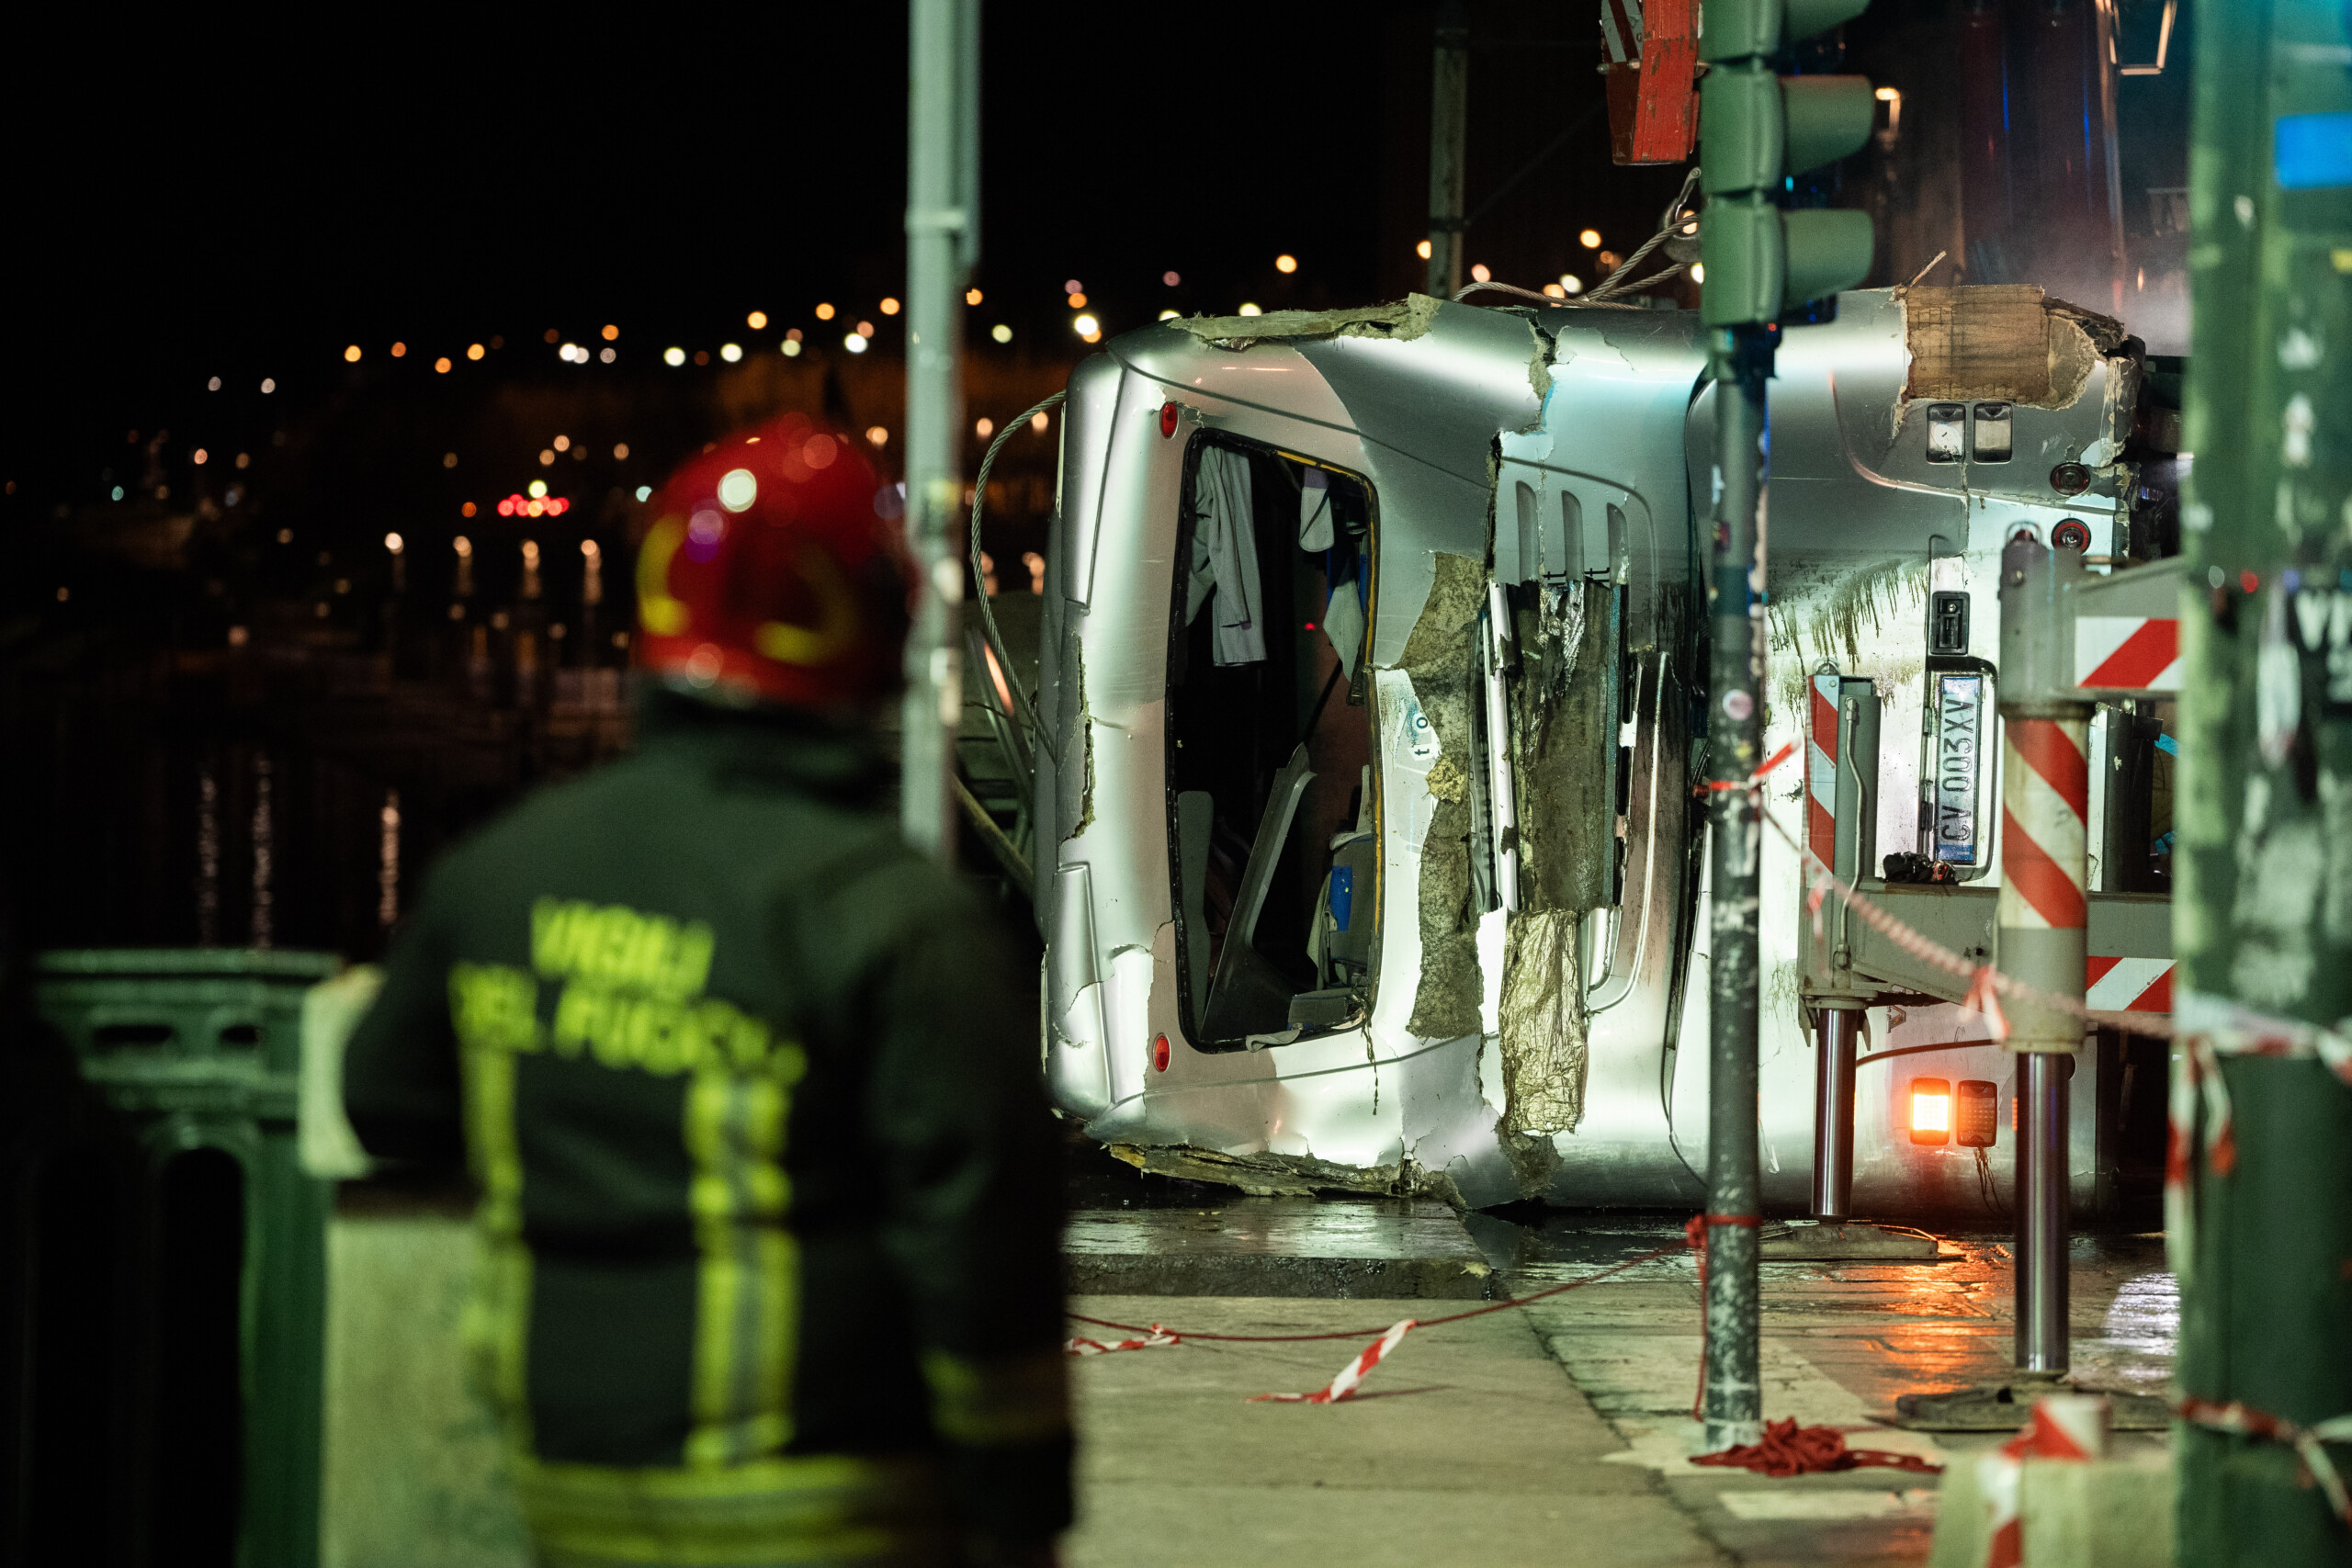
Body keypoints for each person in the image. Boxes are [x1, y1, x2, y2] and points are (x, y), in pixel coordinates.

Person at [343, 414, 1070, 1568]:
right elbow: (983, 1234)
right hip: (829, 1497)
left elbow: (386, 1098)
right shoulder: (890, 918)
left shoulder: (503, 873)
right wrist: (1019, 1498)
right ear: (873, 629)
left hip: (569, 1475)